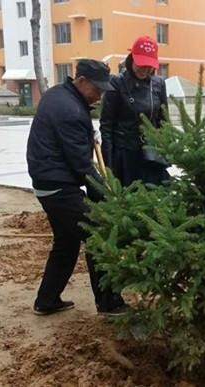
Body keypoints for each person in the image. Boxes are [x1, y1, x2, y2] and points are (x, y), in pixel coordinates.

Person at [27, 59, 129, 316]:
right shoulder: (70, 111)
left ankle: (47, 300)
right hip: (58, 187)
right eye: (97, 89)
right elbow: (82, 168)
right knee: (99, 233)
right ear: (81, 81)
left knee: (67, 241)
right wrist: (106, 199)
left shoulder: (61, 96)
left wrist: (86, 133)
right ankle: (109, 303)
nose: (100, 95)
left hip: (46, 182)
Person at [100, 35, 169, 187]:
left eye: (149, 66)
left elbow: (164, 122)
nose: (145, 70)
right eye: (141, 64)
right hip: (124, 155)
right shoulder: (117, 84)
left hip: (151, 155)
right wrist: (108, 167)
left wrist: (167, 150)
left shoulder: (158, 84)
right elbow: (106, 127)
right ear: (132, 58)